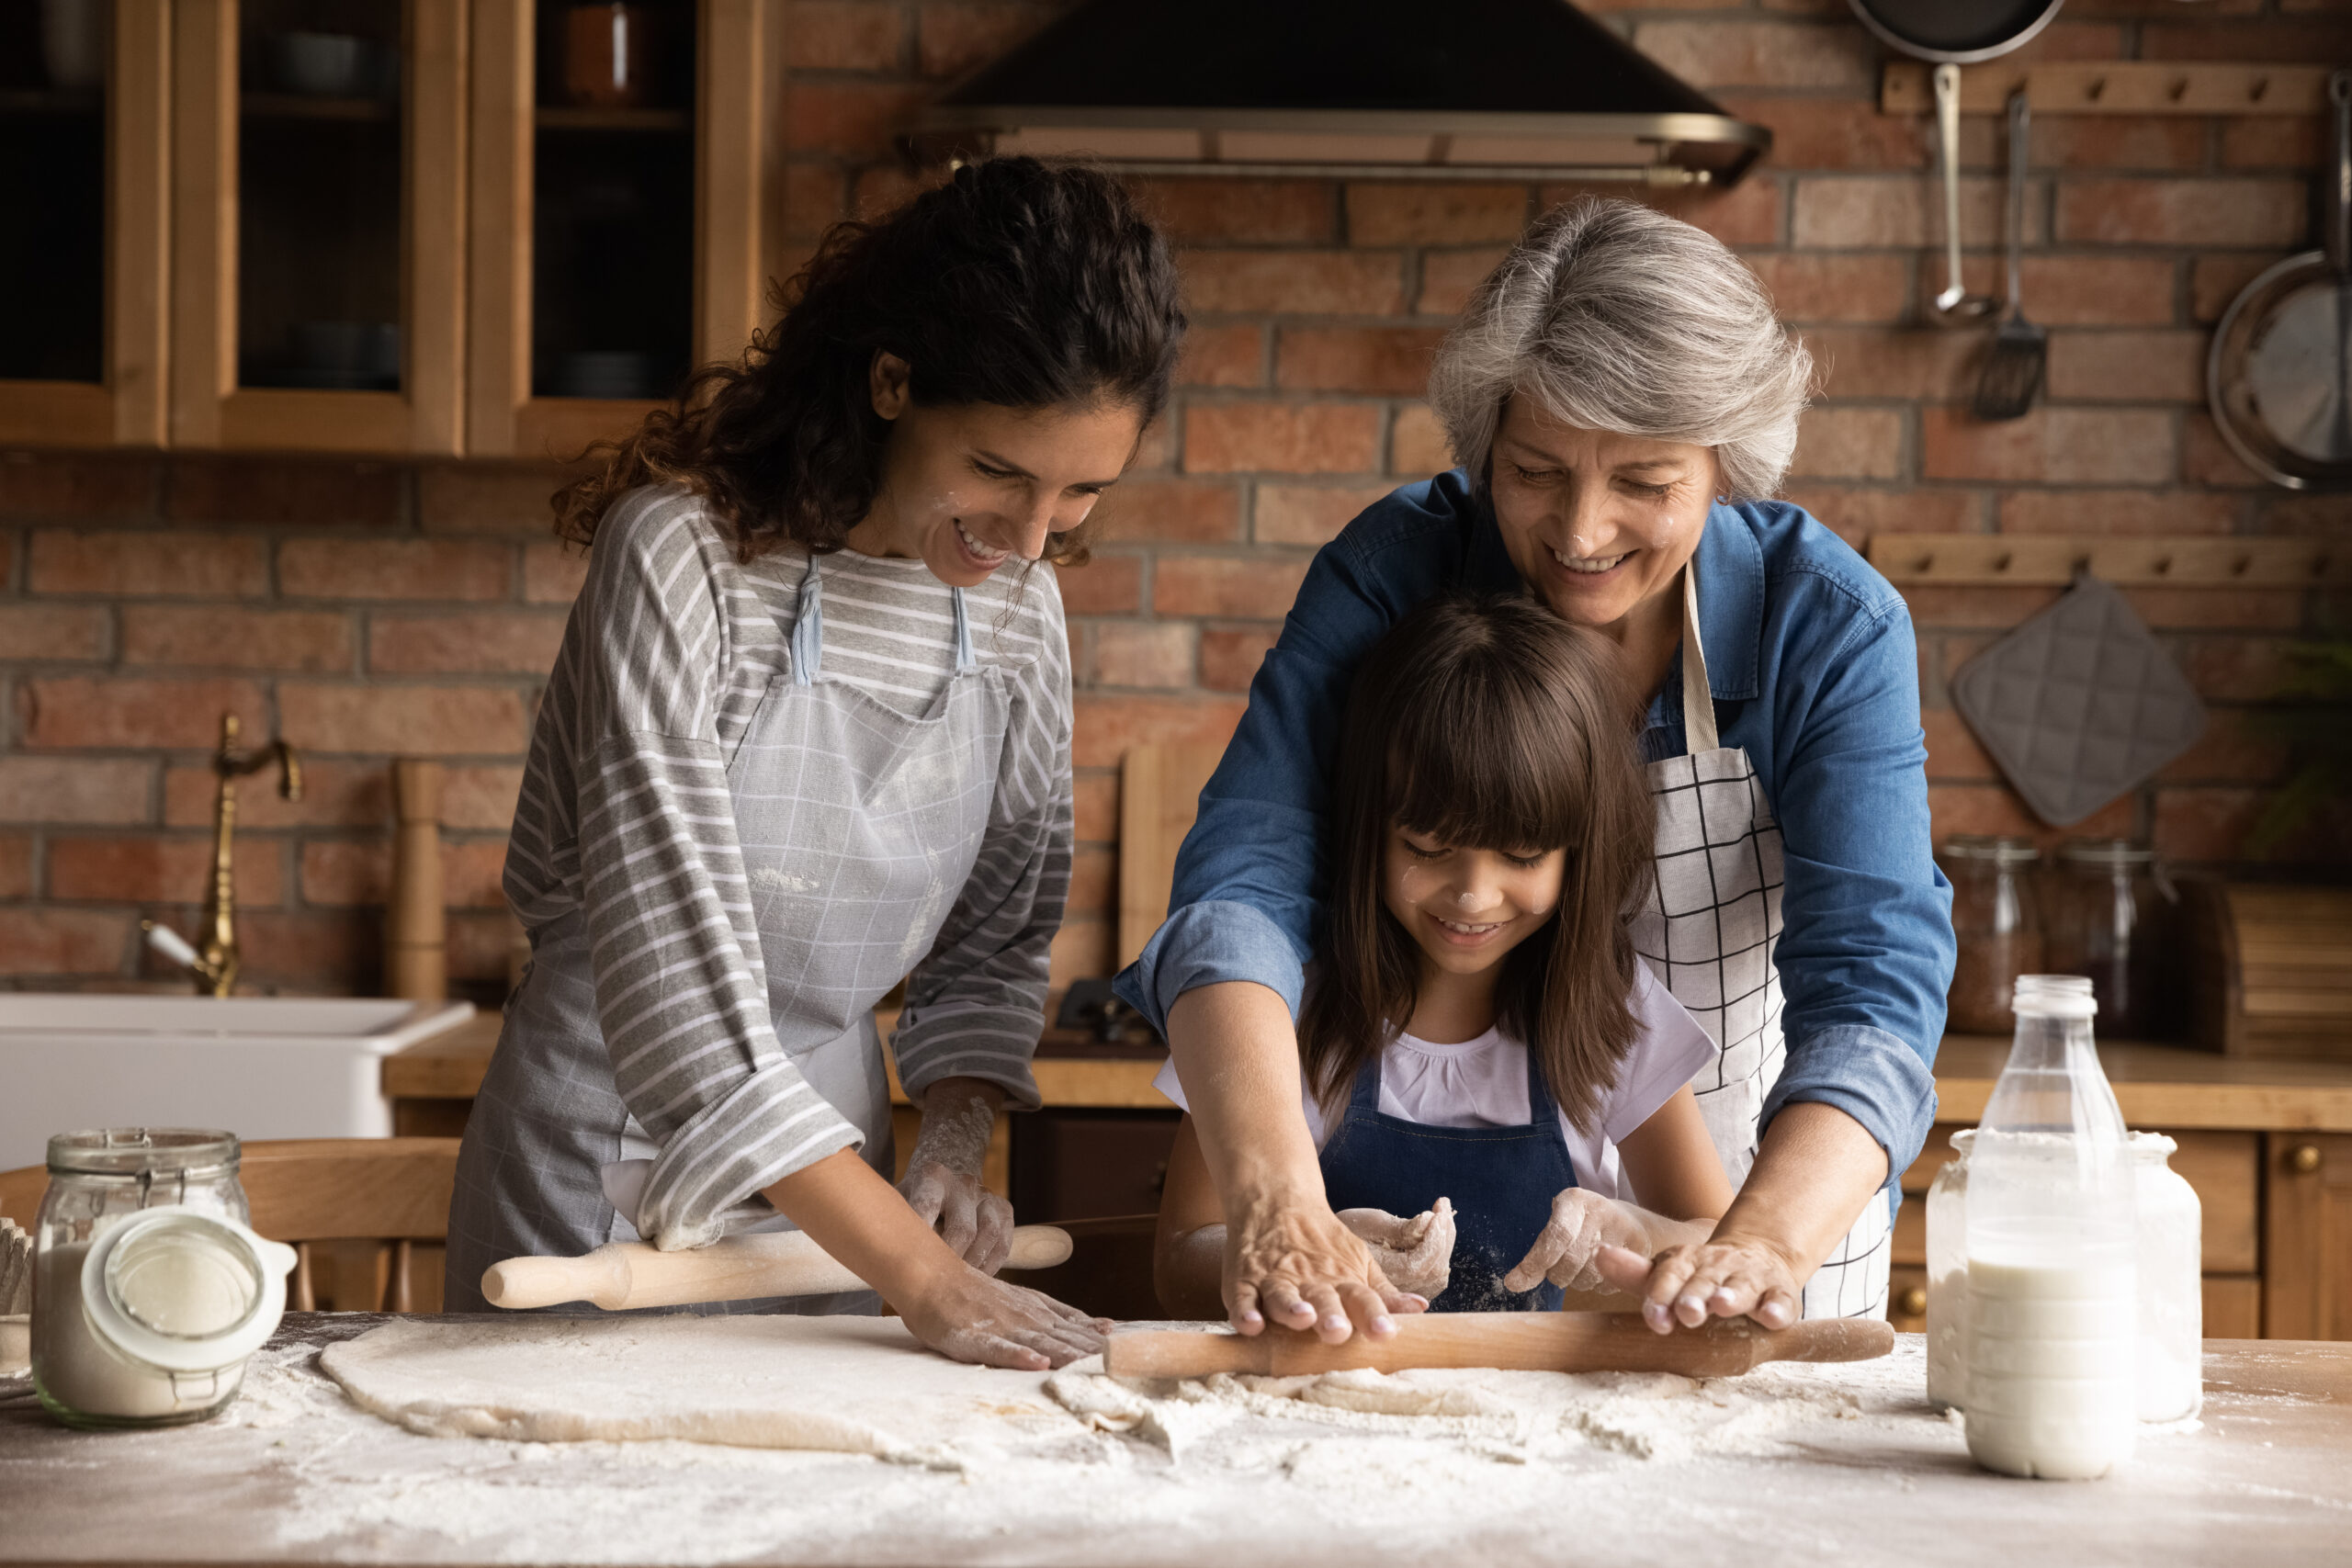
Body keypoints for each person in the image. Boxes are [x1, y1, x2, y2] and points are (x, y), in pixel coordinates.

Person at [1116, 197, 1954, 1343]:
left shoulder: (1829, 628)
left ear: (1725, 469)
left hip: (1768, 1199)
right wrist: (1280, 1206)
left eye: (1645, 484)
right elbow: (1243, 888)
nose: (1580, 532)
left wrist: (1753, 1242)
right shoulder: (1391, 577)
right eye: (1534, 471)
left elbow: (1873, 988)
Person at [447, 158, 1187, 1371]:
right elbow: (680, 1005)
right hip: (605, 1171)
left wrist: (945, 1149)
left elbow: (992, 945)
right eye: (999, 471)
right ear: (892, 380)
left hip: (839, 1200)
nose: (1032, 538)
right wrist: (921, 1274)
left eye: (1082, 494)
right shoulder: (680, 560)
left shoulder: (1019, 612)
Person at [1152, 596, 1735, 1316]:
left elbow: (1720, 1242)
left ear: (1578, 851)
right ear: (1369, 826)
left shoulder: (1612, 1011)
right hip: (1323, 1407)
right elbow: (1180, 1257)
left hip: (1537, 1425)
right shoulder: (1279, 1008)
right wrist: (1320, 1248)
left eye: (1521, 855)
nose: (1473, 896)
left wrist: (1644, 1233)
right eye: (1428, 850)